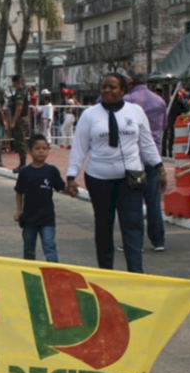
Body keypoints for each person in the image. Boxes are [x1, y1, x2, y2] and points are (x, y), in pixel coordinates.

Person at [66, 73, 165, 274]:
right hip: (98, 179)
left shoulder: (136, 112)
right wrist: (71, 176)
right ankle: (106, 273)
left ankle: (135, 273)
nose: (107, 91)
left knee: (132, 226)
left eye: (112, 87)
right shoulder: (90, 115)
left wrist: (159, 167)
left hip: (131, 178)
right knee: (103, 226)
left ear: (123, 90)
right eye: (104, 87)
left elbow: (147, 143)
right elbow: (79, 147)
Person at [124, 67, 169, 252]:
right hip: (154, 158)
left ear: (130, 80)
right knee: (153, 201)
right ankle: (158, 240)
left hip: (134, 158)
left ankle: (136, 242)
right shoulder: (159, 100)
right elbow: (164, 125)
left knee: (133, 202)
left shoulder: (127, 101)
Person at [14, 134, 65, 262]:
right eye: (37, 148)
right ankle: (30, 277)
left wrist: (72, 190)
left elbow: (62, 187)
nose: (41, 151)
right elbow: (19, 192)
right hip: (29, 220)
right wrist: (19, 211)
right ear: (30, 152)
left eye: (44, 148)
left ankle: (53, 274)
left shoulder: (51, 171)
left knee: (49, 247)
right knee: (29, 250)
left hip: (47, 219)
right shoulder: (25, 172)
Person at [7, 75, 31, 173]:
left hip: (20, 119)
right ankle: (22, 163)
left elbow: (19, 107)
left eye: (13, 82)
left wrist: (14, 121)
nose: (12, 84)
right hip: (23, 118)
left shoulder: (20, 92)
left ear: (17, 82)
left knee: (21, 141)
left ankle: (23, 163)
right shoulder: (23, 91)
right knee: (20, 140)